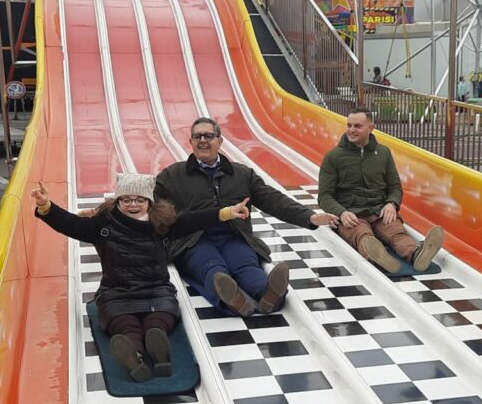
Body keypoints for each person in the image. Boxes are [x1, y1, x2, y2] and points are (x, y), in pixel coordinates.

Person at [31, 173, 249, 382]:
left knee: (159, 319)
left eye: (139, 200)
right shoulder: (103, 225)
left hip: (156, 291)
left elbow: (193, 221)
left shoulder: (161, 225)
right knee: (125, 324)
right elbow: (71, 225)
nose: (133, 204)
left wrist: (228, 212)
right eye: (126, 199)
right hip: (117, 294)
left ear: (149, 201)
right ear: (117, 200)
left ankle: (157, 346)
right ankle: (133, 355)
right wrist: (45, 206)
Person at [155, 117, 339, 317]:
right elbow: (160, 215)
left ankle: (269, 294)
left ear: (220, 141)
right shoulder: (172, 176)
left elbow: (272, 200)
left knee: (245, 265)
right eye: (197, 136)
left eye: (208, 136)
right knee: (212, 266)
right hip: (193, 240)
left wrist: (309, 217)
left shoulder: (241, 174)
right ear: (190, 142)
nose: (202, 141)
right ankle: (231, 298)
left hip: (235, 235)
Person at [318, 107, 444, 273]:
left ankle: (417, 254)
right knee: (362, 235)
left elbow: (394, 186)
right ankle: (377, 255)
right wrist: (341, 213)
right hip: (352, 213)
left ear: (371, 128)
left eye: (357, 126)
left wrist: (391, 204)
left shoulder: (383, 153)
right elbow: (324, 196)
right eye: (349, 125)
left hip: (379, 211)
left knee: (396, 233)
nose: (351, 130)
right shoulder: (333, 157)